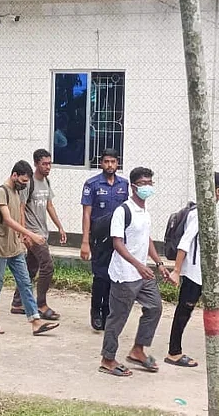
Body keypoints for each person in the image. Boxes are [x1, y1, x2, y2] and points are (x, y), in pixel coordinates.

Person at [165, 172, 219, 369]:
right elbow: (185, 243)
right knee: (184, 310)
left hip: (212, 270)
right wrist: (177, 270)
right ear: (217, 189)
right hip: (195, 271)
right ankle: (174, 352)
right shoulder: (200, 213)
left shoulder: (209, 210)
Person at [99, 167, 171, 377]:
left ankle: (138, 350)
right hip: (124, 275)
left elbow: (146, 239)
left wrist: (158, 263)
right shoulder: (124, 211)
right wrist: (138, 265)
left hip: (143, 274)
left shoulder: (145, 212)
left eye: (150, 182)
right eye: (143, 183)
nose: (147, 186)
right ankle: (107, 359)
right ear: (133, 187)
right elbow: (117, 243)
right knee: (117, 318)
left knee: (155, 307)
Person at [0, 160, 60, 337]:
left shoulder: (16, 192)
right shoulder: (1, 192)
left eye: (27, 182)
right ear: (14, 175)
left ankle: (35, 321)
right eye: (23, 181)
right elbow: (7, 219)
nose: (24, 184)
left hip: (15, 247)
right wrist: (31, 234)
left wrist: (23, 238)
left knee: (25, 283)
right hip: (0, 246)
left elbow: (19, 214)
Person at [10, 149, 66, 320]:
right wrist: (24, 234)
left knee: (30, 268)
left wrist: (60, 227)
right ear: (36, 164)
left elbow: (50, 206)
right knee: (47, 266)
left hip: (43, 232)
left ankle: (17, 302)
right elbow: (20, 208)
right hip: (33, 234)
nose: (48, 167)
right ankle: (41, 304)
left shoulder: (46, 182)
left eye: (49, 163)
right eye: (44, 164)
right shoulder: (29, 183)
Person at [80, 148, 129, 330]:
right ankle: (96, 312)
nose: (110, 165)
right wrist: (85, 241)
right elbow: (86, 213)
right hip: (98, 237)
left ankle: (107, 312)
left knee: (113, 276)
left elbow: (127, 212)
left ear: (117, 164)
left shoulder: (124, 185)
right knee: (100, 276)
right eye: (106, 161)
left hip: (117, 237)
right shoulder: (92, 184)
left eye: (113, 162)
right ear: (101, 163)